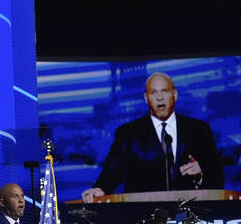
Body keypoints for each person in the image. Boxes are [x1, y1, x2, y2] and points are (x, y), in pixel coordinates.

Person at [81, 72, 224, 203]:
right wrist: (100, 188)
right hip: (143, 216)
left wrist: (202, 172)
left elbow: (216, 172)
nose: (160, 97)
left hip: (189, 213)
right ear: (146, 98)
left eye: (165, 91)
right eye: (153, 93)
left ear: (174, 95)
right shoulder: (128, 133)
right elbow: (113, 171)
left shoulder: (199, 129)